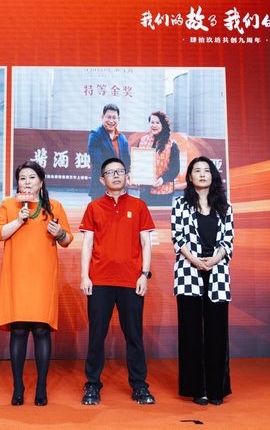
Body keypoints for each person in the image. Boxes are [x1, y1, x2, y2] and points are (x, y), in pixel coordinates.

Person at [0, 161, 73, 406]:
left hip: (43, 276)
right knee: (18, 330)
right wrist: (18, 220)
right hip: (16, 274)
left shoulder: (54, 206)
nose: (27, 182)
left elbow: (67, 240)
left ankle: (41, 386)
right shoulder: (9, 205)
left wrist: (59, 233)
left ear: (41, 181)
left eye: (32, 177)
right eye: (22, 178)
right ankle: (18, 387)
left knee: (41, 330)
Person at [79, 157, 156, 406]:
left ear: (126, 176)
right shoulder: (94, 207)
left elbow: (146, 243)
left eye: (120, 171)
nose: (115, 175)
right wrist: (85, 276)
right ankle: (92, 385)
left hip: (131, 280)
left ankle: (140, 386)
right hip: (100, 280)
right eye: (110, 172)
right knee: (96, 336)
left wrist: (144, 274)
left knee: (134, 335)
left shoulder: (139, 205)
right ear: (102, 179)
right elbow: (87, 244)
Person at [171, 156, 234, 406]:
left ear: (213, 176)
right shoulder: (180, 204)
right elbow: (177, 237)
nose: (202, 174)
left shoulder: (225, 206)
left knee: (217, 332)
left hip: (217, 273)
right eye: (196, 170)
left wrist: (215, 259)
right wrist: (195, 261)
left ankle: (217, 389)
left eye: (206, 170)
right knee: (191, 332)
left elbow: (228, 239)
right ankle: (197, 389)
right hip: (189, 273)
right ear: (189, 177)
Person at [87, 104, 130, 200]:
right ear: (102, 117)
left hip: (120, 189)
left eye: (114, 117)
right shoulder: (95, 134)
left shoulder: (122, 138)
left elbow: (127, 162)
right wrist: (118, 177)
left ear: (118, 119)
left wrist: (128, 175)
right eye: (108, 117)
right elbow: (97, 162)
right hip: (101, 189)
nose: (111, 121)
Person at [137, 111, 180, 207]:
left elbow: (175, 169)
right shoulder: (142, 140)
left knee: (160, 216)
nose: (154, 125)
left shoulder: (171, 145)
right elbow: (137, 163)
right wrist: (136, 177)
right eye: (152, 122)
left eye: (157, 123)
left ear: (163, 125)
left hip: (163, 193)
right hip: (145, 191)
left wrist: (163, 179)